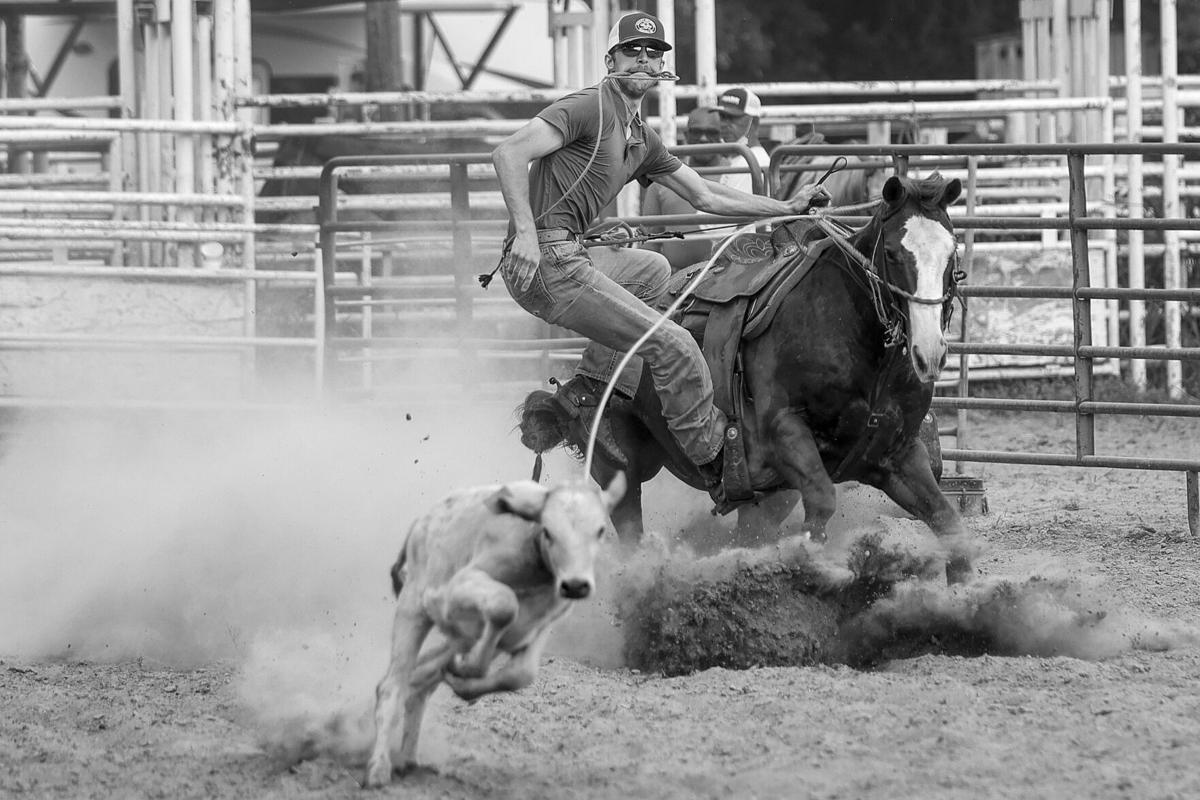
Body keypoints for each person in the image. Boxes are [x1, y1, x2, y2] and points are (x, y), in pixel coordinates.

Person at [491, 11, 828, 493]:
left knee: (652, 269)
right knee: (673, 345)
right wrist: (525, 233)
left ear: (661, 68)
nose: (644, 60)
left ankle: (593, 389)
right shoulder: (588, 108)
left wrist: (788, 205)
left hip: (569, 255)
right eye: (633, 51)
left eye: (653, 53)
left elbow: (707, 197)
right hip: (547, 261)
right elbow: (508, 153)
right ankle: (716, 462)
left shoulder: (639, 138)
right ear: (612, 60)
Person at [640, 106, 732, 269]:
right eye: (697, 132)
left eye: (711, 133)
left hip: (725, 274)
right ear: (687, 135)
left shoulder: (735, 173)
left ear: (720, 136)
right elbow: (650, 240)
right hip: (675, 280)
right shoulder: (665, 177)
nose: (703, 138)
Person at [715, 87, 770, 194]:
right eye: (722, 117)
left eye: (732, 117)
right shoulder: (740, 160)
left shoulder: (753, 162)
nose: (724, 124)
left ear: (753, 122)